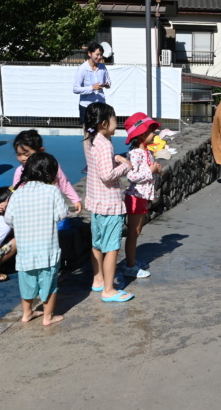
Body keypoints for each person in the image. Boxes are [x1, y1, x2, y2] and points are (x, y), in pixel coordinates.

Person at [6, 153, 67, 326]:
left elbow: (8, 219)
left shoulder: (18, 193)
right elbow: (62, 214)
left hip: (25, 251)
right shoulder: (52, 191)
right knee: (50, 284)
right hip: (47, 250)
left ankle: (27, 313)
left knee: (27, 284)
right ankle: (47, 317)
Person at [84, 103, 134, 303]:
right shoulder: (105, 143)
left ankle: (98, 280)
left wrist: (115, 158)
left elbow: (99, 165)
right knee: (112, 247)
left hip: (96, 203)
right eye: (115, 120)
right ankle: (109, 289)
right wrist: (125, 166)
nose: (117, 124)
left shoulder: (92, 140)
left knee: (97, 244)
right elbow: (107, 175)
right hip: (110, 204)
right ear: (104, 123)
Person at [122, 112, 162, 279]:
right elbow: (131, 176)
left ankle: (131, 261)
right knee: (134, 232)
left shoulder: (145, 152)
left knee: (137, 231)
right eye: (151, 131)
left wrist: (155, 169)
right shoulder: (135, 154)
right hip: (136, 196)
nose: (154, 134)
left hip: (142, 197)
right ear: (141, 135)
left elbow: (144, 171)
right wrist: (150, 171)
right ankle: (129, 266)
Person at [11, 129, 82, 213]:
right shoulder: (20, 171)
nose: (22, 158)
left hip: (52, 206)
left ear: (41, 151)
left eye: (27, 155)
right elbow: (16, 191)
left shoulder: (51, 165)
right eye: (19, 154)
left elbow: (63, 182)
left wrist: (75, 199)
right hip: (31, 210)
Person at [73, 42, 111, 127]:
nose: (99, 57)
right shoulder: (82, 69)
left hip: (100, 105)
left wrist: (106, 84)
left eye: (101, 55)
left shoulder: (103, 67)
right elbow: (75, 89)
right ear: (90, 53)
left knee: (102, 131)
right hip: (86, 106)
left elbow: (108, 82)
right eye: (97, 54)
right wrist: (92, 88)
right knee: (88, 133)